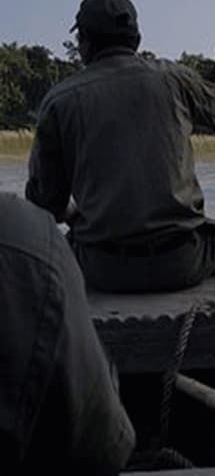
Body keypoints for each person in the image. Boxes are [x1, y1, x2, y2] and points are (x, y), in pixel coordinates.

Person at [25, 0, 215, 292]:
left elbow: (45, 204)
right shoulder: (174, 78)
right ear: (136, 38)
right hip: (183, 262)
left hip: (101, 269)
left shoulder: (59, 101)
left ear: (84, 42)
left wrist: (75, 214)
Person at [0, 193, 135, 473]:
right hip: (176, 253)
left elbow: (45, 191)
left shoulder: (28, 241)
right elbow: (102, 449)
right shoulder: (28, 238)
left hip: (98, 256)